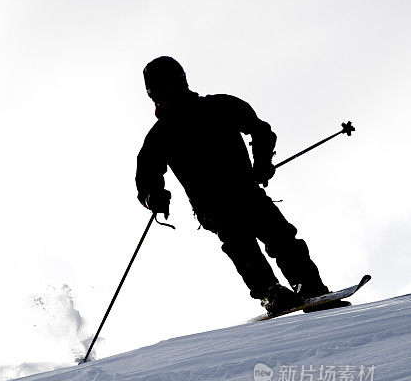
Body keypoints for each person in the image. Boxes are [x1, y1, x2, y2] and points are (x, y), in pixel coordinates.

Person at [136, 56, 348, 316]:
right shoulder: (163, 133)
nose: (168, 92)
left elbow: (260, 132)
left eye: (170, 85)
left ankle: (307, 289)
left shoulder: (215, 107)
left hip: (242, 192)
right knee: (246, 247)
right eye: (162, 88)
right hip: (215, 204)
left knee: (279, 238)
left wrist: (261, 163)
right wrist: (154, 196)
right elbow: (147, 175)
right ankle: (272, 292)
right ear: (154, 93)